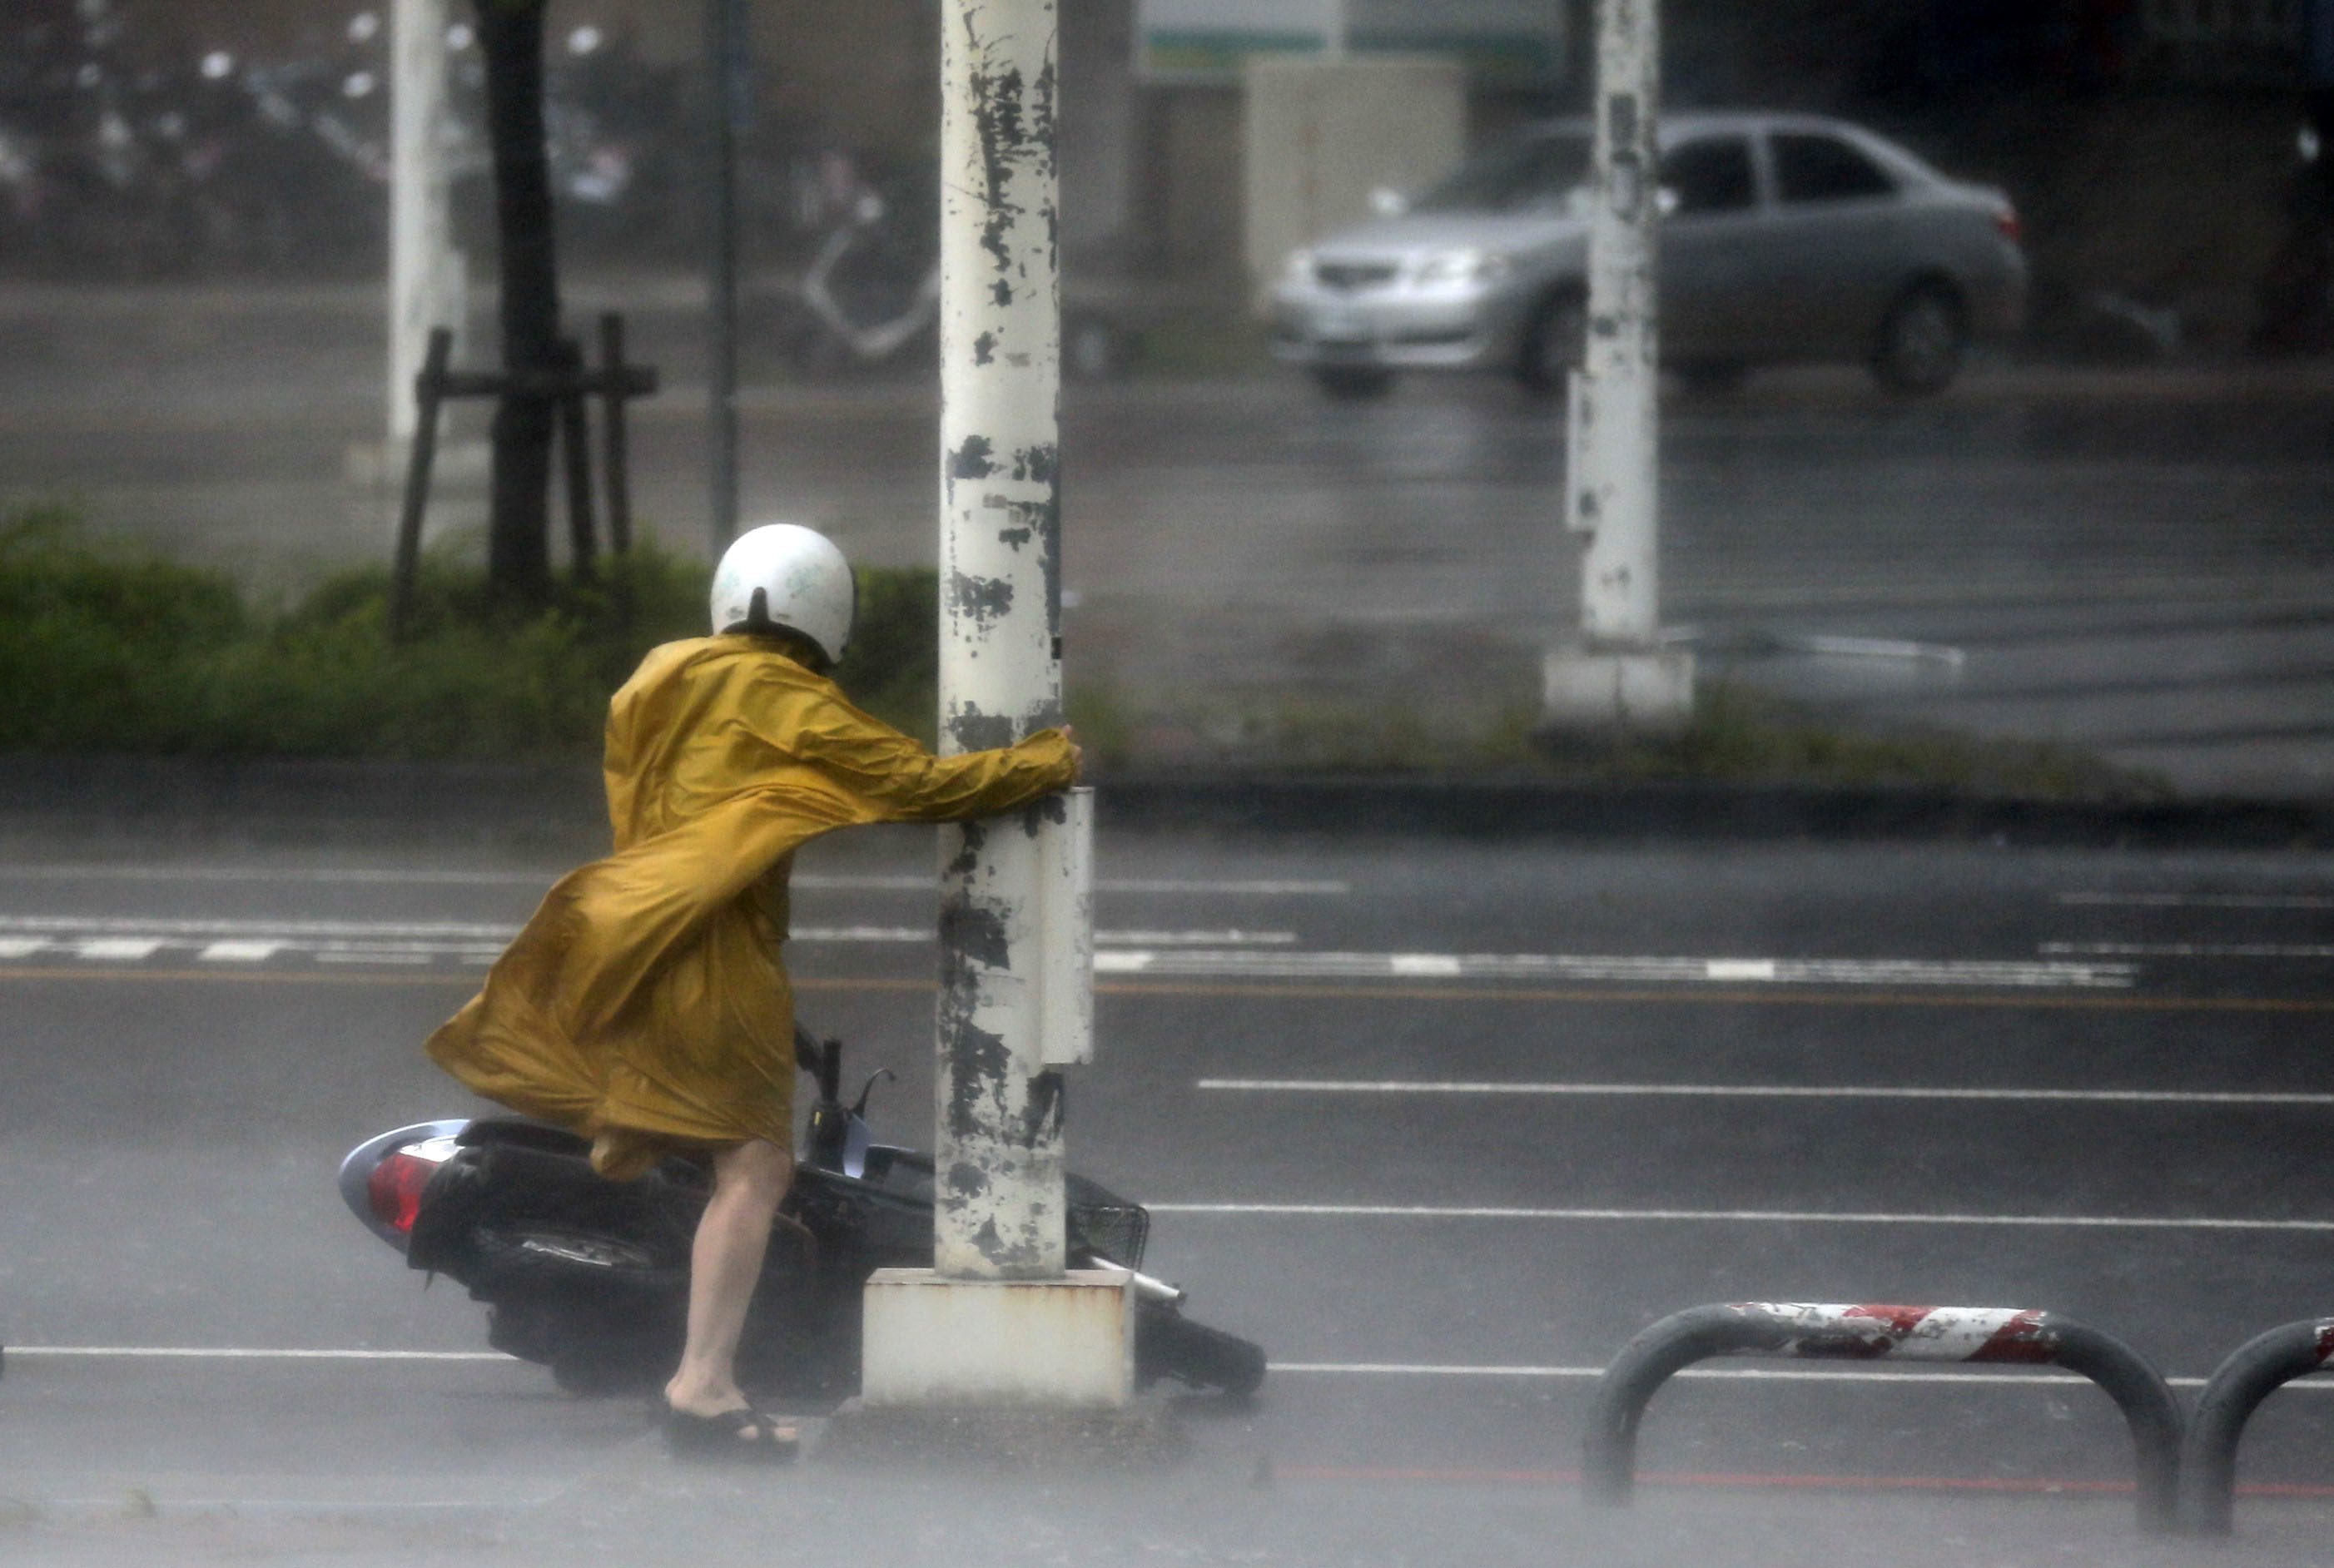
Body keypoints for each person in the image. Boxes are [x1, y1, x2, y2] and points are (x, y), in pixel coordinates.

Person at [424, 522, 1080, 1461]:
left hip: (639, 938)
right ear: (826, 617)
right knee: (755, 1170)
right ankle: (701, 1381)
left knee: (721, 1160)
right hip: (720, 948)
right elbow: (915, 784)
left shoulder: (654, 682)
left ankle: (697, 1363)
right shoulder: (782, 694)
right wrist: (1044, 762)